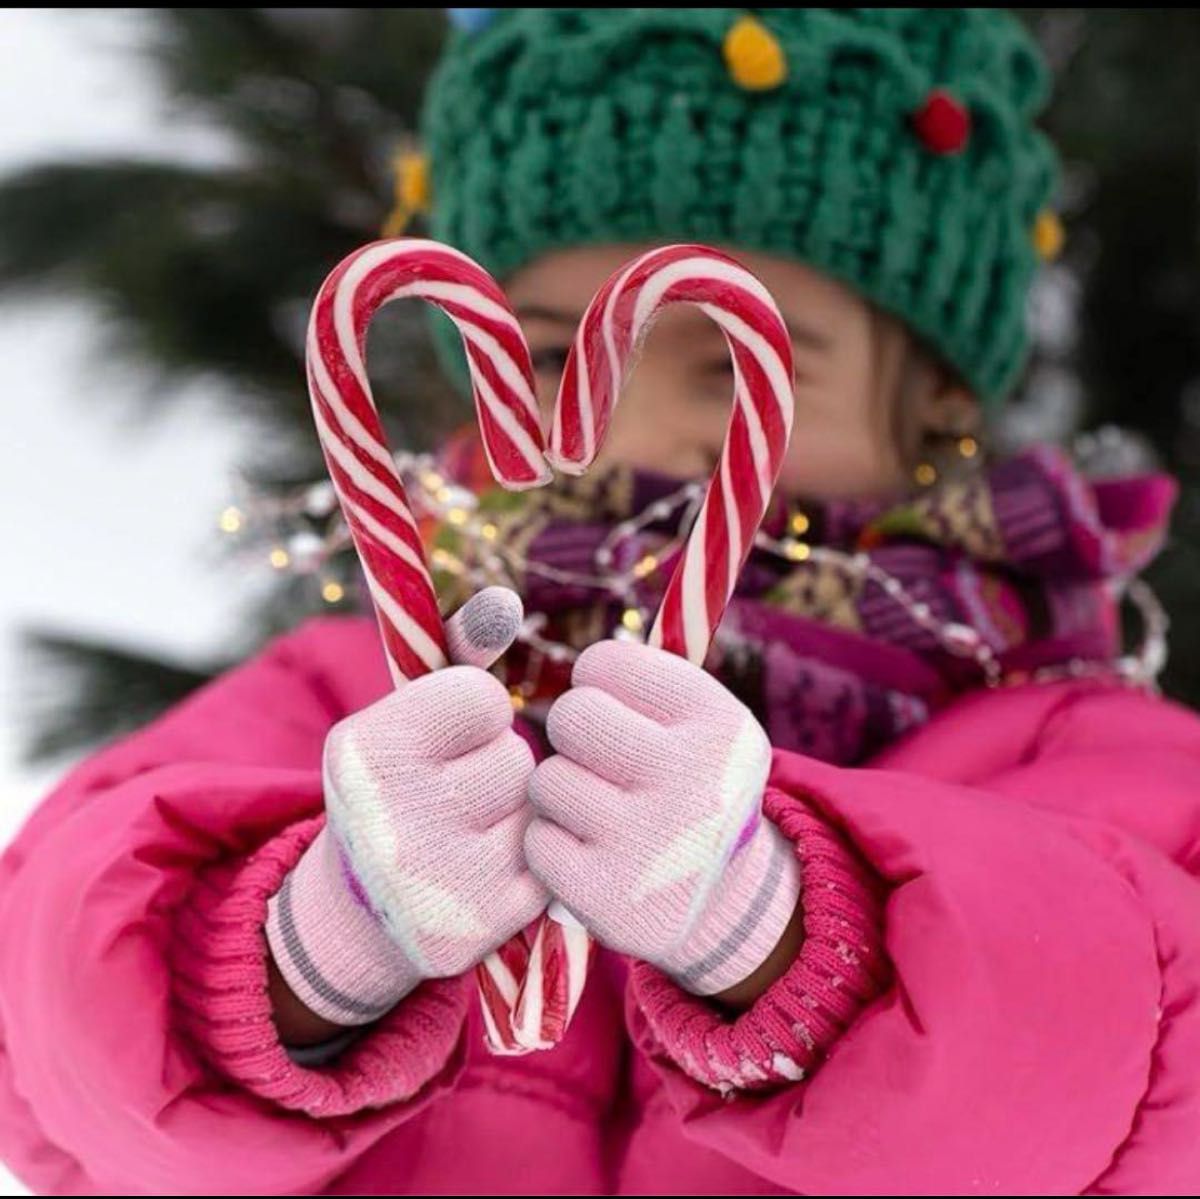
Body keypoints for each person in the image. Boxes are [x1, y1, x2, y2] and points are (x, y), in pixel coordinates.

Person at [2, 10, 1198, 1194]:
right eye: (542, 356)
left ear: (936, 395)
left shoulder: (1076, 749)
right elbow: (51, 991)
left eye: (729, 364)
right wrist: (310, 950)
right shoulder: (348, 695)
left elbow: (1155, 1065)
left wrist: (776, 931)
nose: (634, 425)